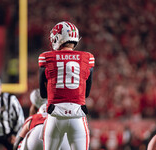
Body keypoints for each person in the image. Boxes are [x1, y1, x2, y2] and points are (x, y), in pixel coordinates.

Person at [38, 21, 95, 150]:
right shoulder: (87, 57)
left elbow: (42, 93)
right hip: (78, 115)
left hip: (54, 115)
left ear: (57, 37)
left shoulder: (46, 57)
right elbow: (87, 93)